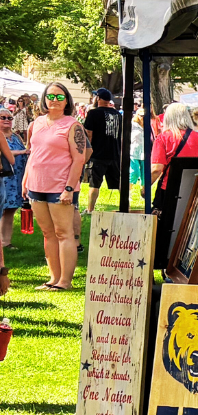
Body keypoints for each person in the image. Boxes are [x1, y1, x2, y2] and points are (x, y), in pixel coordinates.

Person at [22, 83, 88, 289]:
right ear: (44, 99)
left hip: (61, 187)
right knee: (48, 233)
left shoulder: (73, 125)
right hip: (36, 185)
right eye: (51, 96)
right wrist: (25, 181)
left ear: (67, 101)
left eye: (60, 97)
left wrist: (69, 188)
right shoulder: (37, 123)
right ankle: (53, 278)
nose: (55, 100)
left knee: (63, 233)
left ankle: (65, 281)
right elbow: (32, 153)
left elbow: (79, 159)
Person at [151, 102, 198, 193]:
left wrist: (145, 189)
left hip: (170, 188)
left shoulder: (163, 138)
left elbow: (156, 169)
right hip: (195, 188)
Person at [81, 88, 123, 214]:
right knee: (119, 183)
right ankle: (125, 206)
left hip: (98, 154)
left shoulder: (93, 113)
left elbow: (88, 133)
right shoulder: (117, 114)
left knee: (94, 184)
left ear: (98, 98)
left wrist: (85, 152)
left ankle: (90, 209)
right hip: (115, 153)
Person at [0, 107, 21, 291]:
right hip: (4, 178)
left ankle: (6, 241)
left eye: (9, 117)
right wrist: (22, 153)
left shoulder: (16, 137)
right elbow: (10, 157)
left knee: (11, 210)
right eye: (3, 117)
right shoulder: (1, 136)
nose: (7, 120)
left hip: (15, 178)